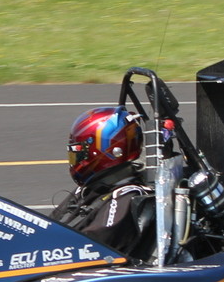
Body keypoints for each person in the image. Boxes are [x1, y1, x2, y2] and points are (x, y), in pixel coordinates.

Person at [52, 106, 156, 260]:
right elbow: (50, 224)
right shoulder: (89, 189)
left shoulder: (125, 196)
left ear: (108, 150)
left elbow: (96, 243)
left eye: (79, 153)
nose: (76, 160)